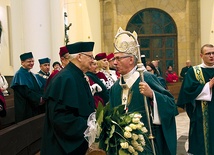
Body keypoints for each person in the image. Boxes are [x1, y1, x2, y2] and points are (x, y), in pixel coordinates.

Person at [109, 27, 177, 155]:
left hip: (146, 144)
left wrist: (152, 95)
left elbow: (171, 105)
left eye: (118, 58)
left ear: (131, 59)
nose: (115, 63)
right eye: (114, 59)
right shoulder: (115, 87)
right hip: (122, 145)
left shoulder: (145, 78)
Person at [41, 41, 95, 155]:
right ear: (79, 57)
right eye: (90, 56)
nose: (93, 60)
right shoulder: (65, 79)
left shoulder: (77, 75)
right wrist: (89, 126)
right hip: (62, 147)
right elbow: (61, 119)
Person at [177, 44, 214, 155]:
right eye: (208, 53)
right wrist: (209, 85)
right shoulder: (194, 71)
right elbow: (187, 92)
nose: (211, 56)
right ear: (201, 55)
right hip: (201, 115)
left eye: (213, 53)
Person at [10, 52, 44, 123]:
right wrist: (39, 99)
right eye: (29, 61)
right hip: (25, 108)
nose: (31, 63)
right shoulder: (19, 74)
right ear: (22, 62)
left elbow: (38, 88)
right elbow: (26, 92)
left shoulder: (31, 74)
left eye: (33, 61)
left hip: (33, 106)